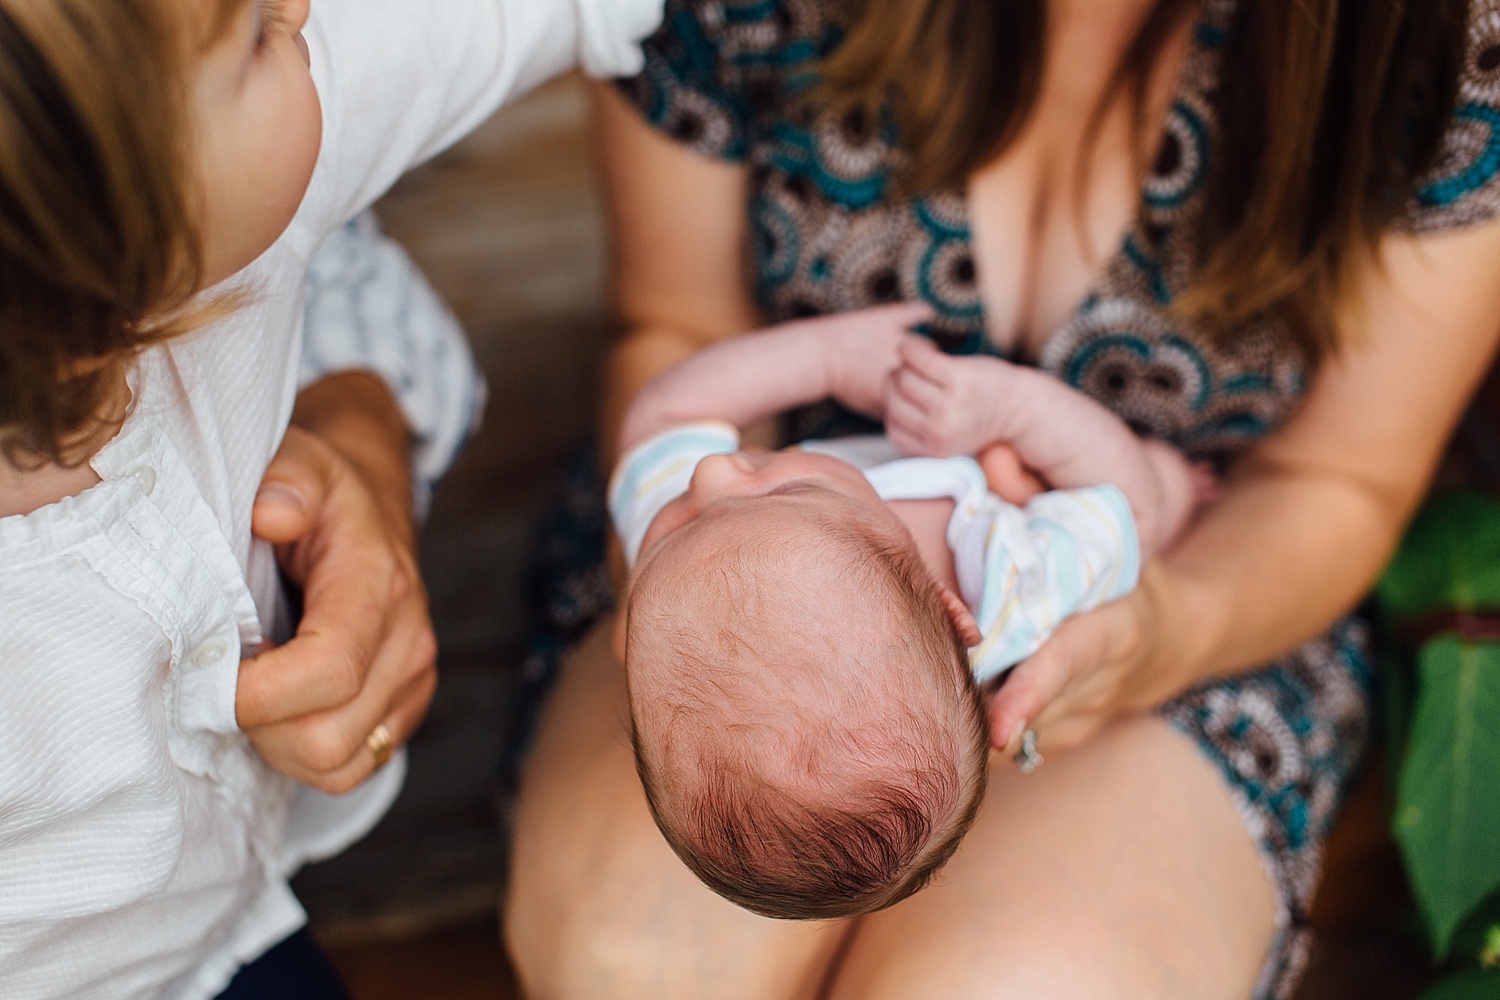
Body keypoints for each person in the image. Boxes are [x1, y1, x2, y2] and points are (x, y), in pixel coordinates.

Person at [506, 1, 1500, 997]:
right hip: (748, 592)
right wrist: (708, 567)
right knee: (636, 964)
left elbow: (1337, 475)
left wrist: (1160, 624)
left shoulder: (1451, 38)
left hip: (1209, 581)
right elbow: (678, 320)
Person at [0, 1, 661, 997]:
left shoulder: (239, 156)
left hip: (222, 942)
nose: (304, 10)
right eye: (252, 35)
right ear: (116, 233)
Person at [610, 304, 1201, 920]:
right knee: (1161, 484)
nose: (710, 474)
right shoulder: (1012, 587)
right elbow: (1131, 512)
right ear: (953, 612)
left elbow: (666, 415)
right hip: (1055, 468)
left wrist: (825, 358)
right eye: (787, 489)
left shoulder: (673, 552)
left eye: (666, 543)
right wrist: (1017, 411)